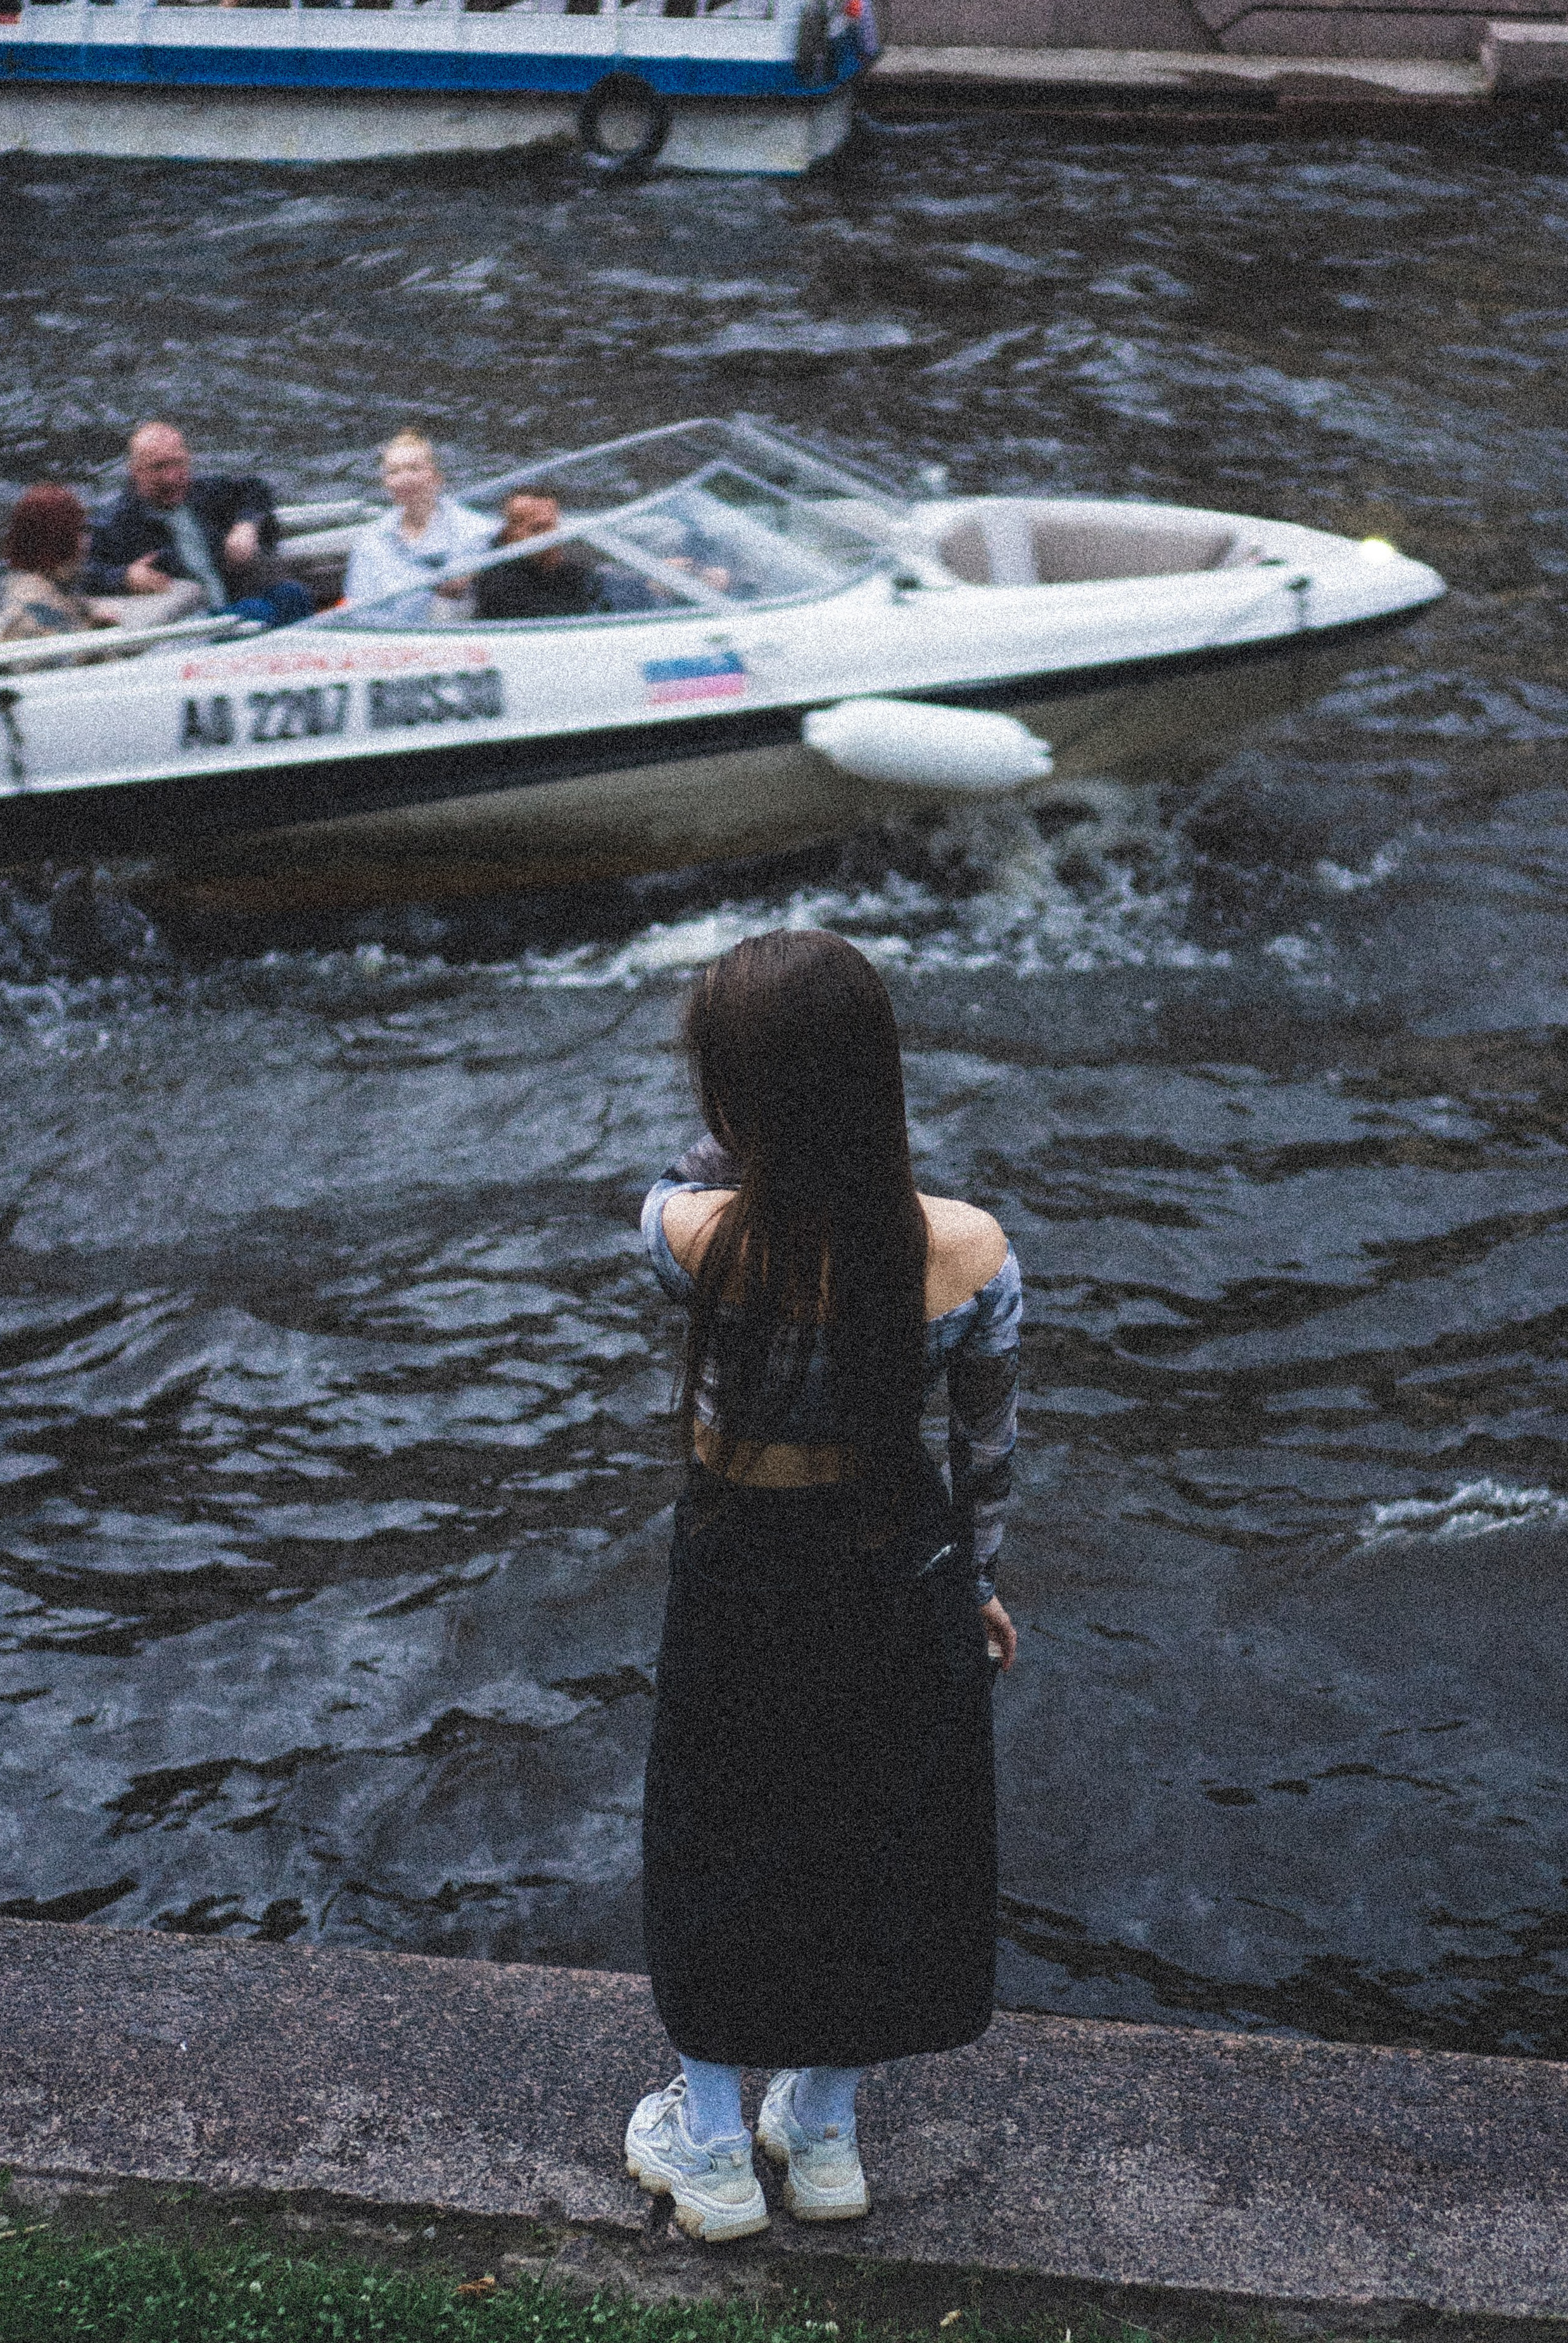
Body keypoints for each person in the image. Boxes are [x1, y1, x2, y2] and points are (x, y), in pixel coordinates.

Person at [630, 928, 1020, 2245]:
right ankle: (828, 2135)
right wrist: (973, 1586)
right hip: (897, 1570)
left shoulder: (690, 1236)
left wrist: (744, 1136)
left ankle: (712, 2148)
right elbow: (986, 1456)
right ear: (880, 1082)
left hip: (743, 1566)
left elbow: (694, 1174)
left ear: (734, 1103)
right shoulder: (969, 1252)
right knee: (876, 1839)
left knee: (718, 1834)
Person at [82, 422, 313, 630]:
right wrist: (125, 577)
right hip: (186, 623)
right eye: (158, 468)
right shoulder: (113, 523)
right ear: (136, 472)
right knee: (255, 613)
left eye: (177, 464)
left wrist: (246, 526)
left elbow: (255, 490)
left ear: (188, 459)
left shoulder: (205, 493)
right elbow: (81, 573)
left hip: (230, 598)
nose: (171, 478)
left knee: (293, 596)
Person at [342, 431, 496, 623]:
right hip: (384, 640)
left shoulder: (475, 529)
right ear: (386, 484)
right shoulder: (371, 539)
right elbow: (358, 608)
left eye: (414, 469)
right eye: (394, 472)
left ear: (436, 477)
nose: (404, 479)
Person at [0, 485, 124, 644]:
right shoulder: (33, 607)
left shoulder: (18, 583)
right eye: (81, 531)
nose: (87, 541)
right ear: (59, 540)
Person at [472, 492, 604, 622]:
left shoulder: (565, 571)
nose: (551, 537)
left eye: (553, 527)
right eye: (538, 528)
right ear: (509, 535)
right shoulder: (497, 584)